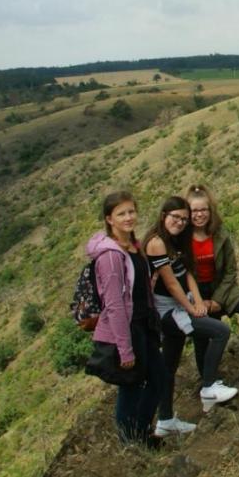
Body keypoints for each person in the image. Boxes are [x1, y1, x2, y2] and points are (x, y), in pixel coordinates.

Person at [86, 191, 169, 446]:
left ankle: (140, 433)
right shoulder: (110, 256)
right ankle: (130, 442)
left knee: (159, 378)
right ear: (109, 219)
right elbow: (114, 306)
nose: (128, 217)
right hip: (128, 329)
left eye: (131, 211)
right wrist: (125, 350)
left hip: (143, 324)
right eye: (121, 213)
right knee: (131, 384)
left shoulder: (132, 247)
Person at [145, 196, 236, 427]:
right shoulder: (157, 243)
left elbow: (187, 275)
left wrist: (197, 302)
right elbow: (171, 283)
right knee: (220, 331)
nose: (181, 222)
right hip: (167, 312)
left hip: (181, 305)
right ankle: (208, 386)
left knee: (169, 367)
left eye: (184, 219)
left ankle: (165, 421)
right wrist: (192, 309)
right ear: (164, 215)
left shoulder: (176, 242)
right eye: (176, 217)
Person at [185, 184, 239, 385]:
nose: (199, 214)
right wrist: (201, 302)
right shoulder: (182, 239)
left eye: (203, 210)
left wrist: (217, 299)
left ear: (210, 210)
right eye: (194, 210)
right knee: (202, 334)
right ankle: (208, 380)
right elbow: (182, 274)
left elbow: (231, 270)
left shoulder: (219, 234)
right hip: (196, 292)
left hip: (222, 288)